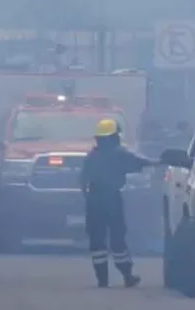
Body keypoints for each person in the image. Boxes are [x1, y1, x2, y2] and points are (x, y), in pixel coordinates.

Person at [80, 118, 156, 288]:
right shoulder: (120, 153)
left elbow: (82, 181)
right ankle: (127, 275)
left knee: (96, 240)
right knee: (118, 238)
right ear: (113, 136)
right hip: (112, 199)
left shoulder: (91, 157)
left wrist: (88, 198)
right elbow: (141, 162)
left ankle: (102, 279)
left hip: (94, 200)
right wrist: (161, 162)